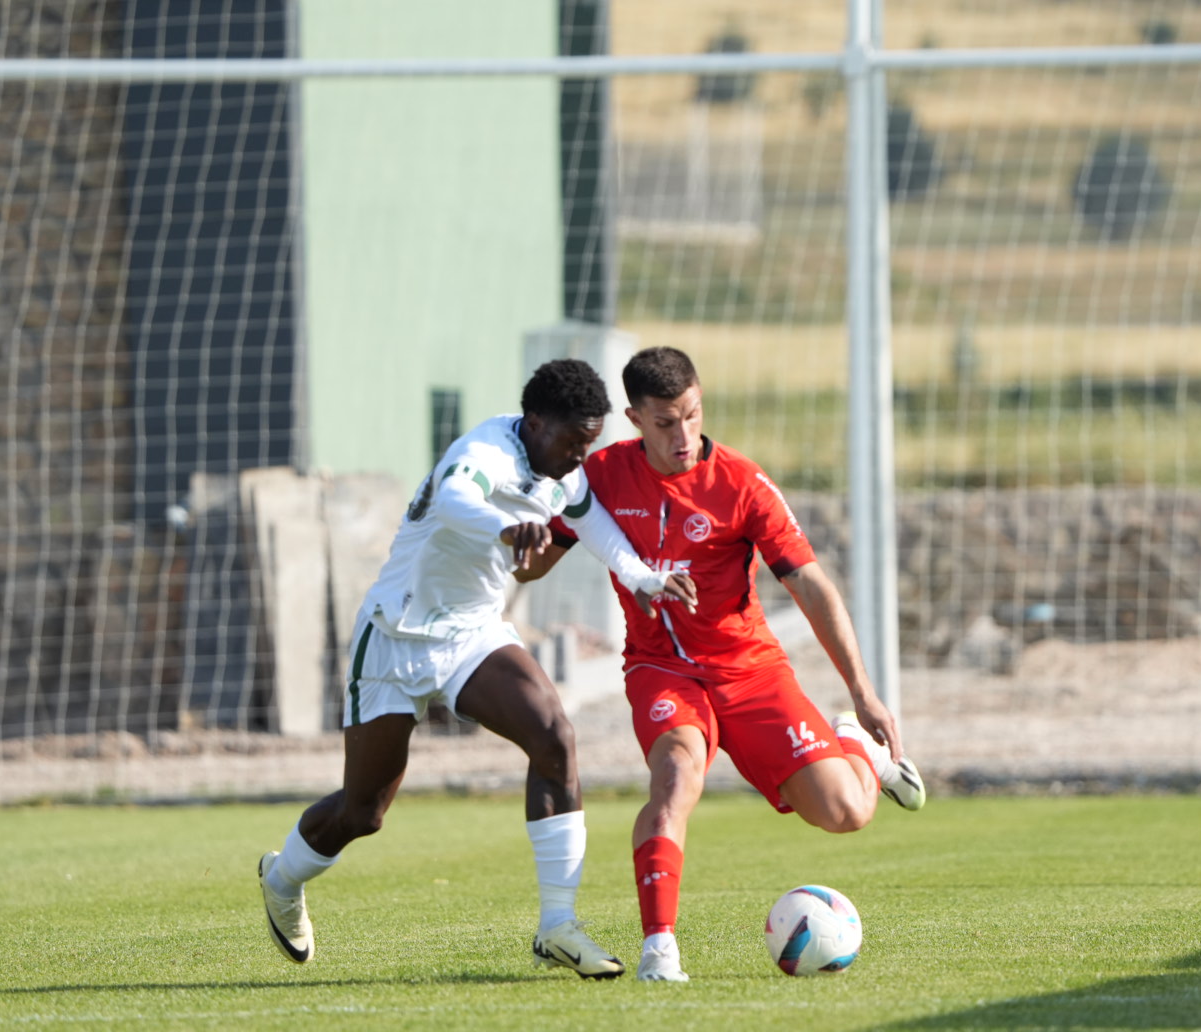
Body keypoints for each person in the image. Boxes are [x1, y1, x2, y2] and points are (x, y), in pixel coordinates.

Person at [257, 359, 698, 979]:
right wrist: (506, 524)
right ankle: (280, 879)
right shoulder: (484, 452)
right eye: (572, 443)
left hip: (471, 634)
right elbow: (456, 498)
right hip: (395, 636)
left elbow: (588, 516)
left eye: (589, 445)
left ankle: (558, 925)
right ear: (536, 424)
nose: (579, 459)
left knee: (553, 734)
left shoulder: (562, 467)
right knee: (365, 812)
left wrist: (642, 574)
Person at [517, 345, 925, 982]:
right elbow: (539, 558)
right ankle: (660, 949)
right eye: (664, 422)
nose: (683, 435)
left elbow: (811, 585)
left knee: (846, 813)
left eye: (692, 415)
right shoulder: (599, 476)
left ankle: (855, 747)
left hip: (750, 669)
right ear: (633, 418)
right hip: (661, 670)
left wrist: (863, 692)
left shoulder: (741, 483)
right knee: (675, 777)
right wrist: (520, 536)